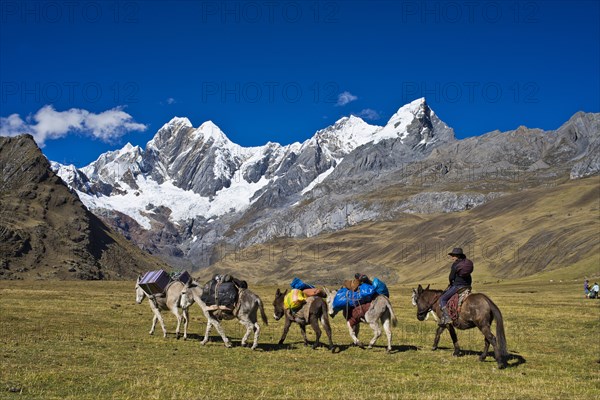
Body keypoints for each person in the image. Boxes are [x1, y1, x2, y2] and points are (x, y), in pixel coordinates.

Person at [439, 248, 473, 325]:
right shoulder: (466, 264)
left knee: (442, 299)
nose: (452, 257)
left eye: (453, 255)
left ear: (457, 256)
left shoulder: (456, 264)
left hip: (458, 286)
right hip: (467, 286)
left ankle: (447, 317)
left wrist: (451, 283)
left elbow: (451, 277)